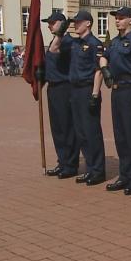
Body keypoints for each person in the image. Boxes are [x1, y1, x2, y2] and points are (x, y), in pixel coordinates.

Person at [100, 7, 131, 195]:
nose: (117, 21)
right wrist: (105, 71)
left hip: (130, 90)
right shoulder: (114, 42)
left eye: (121, 18)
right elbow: (103, 58)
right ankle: (124, 174)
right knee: (120, 136)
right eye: (116, 18)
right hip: (117, 90)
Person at [66, 10, 106, 186]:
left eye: (78, 22)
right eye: (75, 22)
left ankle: (98, 170)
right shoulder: (75, 43)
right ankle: (90, 168)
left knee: (91, 132)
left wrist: (95, 94)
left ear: (88, 23)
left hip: (88, 90)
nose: (75, 24)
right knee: (81, 132)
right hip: (75, 90)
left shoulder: (94, 44)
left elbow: (99, 71)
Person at [40, 12, 79, 179]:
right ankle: (62, 161)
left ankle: (70, 164)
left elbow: (55, 50)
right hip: (53, 88)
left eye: (52, 23)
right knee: (57, 128)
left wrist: (61, 32)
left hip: (64, 88)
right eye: (48, 23)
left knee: (66, 127)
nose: (49, 25)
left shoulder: (67, 41)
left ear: (62, 24)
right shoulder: (55, 39)